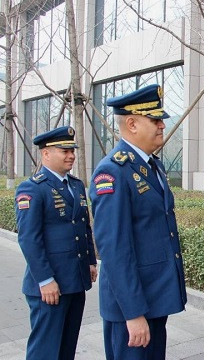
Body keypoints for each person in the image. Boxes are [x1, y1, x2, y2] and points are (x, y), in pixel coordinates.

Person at [89, 84, 187, 359]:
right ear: (131, 123)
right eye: (155, 120)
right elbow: (114, 249)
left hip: (154, 300)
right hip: (132, 308)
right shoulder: (112, 172)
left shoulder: (151, 166)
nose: (161, 126)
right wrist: (133, 313)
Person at [15, 126, 97, 360]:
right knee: (45, 351)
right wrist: (45, 280)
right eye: (64, 150)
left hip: (75, 280)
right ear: (46, 153)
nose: (71, 155)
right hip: (50, 286)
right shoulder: (32, 188)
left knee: (66, 347)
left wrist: (90, 261)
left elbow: (83, 225)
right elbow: (29, 238)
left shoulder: (76, 185)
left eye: (72, 150)